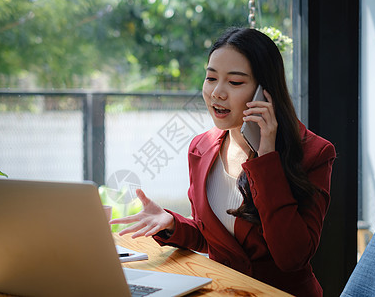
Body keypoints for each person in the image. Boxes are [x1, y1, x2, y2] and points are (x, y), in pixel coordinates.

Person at [110, 27, 336, 297]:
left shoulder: (315, 153)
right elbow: (217, 241)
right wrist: (172, 223)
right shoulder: (201, 147)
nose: (217, 92)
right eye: (211, 78)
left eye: (235, 82)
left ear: (265, 92)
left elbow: (291, 257)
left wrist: (266, 158)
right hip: (223, 290)